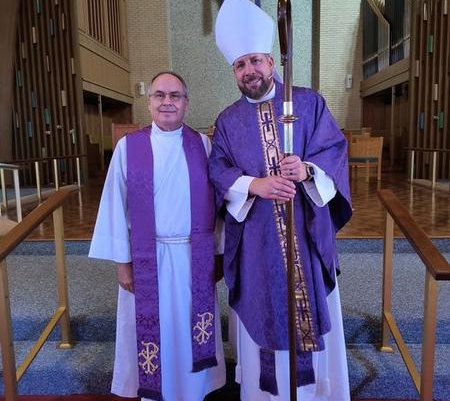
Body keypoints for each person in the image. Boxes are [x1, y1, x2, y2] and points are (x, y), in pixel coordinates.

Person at [209, 0, 353, 400]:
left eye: (255, 60)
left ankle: (315, 392)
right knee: (263, 304)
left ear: (272, 62)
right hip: (256, 240)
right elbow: (217, 172)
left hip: (304, 233)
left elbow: (334, 151)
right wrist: (255, 185)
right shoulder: (227, 121)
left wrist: (306, 170)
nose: (248, 70)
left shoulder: (307, 103)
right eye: (239, 65)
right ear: (233, 73)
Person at [89, 71, 226, 401]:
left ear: (186, 103)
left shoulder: (203, 145)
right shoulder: (128, 147)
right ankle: (155, 393)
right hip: (146, 259)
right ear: (149, 102)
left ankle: (193, 391)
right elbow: (113, 205)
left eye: (175, 96)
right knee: (152, 330)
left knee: (187, 329)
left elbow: (218, 205)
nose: (167, 102)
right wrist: (123, 263)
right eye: (160, 95)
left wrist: (218, 254)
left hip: (193, 256)